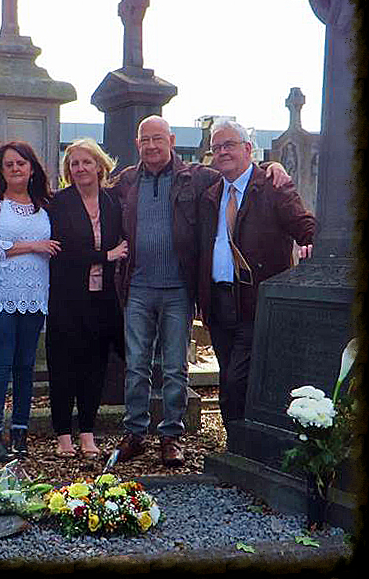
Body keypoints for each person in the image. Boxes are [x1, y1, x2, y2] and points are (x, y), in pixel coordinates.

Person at [112, 115, 290, 467]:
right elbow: (89, 187)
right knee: (136, 365)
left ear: (171, 141)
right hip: (138, 287)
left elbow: (238, 171)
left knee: (175, 367)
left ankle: (171, 435)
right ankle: (135, 433)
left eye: (158, 139)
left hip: (179, 287)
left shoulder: (195, 178)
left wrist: (274, 166)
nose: (151, 146)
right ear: (137, 144)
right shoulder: (126, 182)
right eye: (145, 140)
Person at [197, 119, 316, 435]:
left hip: (257, 301)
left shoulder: (273, 187)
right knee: (228, 374)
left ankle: (241, 442)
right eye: (217, 147)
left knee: (236, 379)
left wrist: (314, 248)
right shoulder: (211, 194)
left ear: (248, 148)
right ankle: (237, 442)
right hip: (219, 301)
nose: (222, 152)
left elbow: (305, 226)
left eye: (229, 145)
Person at [0, 141, 60, 463]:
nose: (15, 169)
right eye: (8, 164)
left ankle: (20, 432)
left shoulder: (44, 205)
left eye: (21, 163)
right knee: (1, 365)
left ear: (32, 168)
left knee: (25, 366)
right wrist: (33, 246)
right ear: (1, 170)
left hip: (33, 295)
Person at [46, 138, 128, 458]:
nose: (80, 168)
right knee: (64, 366)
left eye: (86, 162)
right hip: (67, 298)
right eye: (74, 164)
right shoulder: (59, 203)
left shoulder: (112, 202)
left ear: (99, 166)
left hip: (102, 298)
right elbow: (62, 251)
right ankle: (63, 434)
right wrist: (106, 255)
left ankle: (88, 433)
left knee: (95, 367)